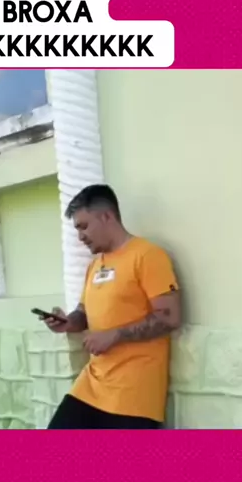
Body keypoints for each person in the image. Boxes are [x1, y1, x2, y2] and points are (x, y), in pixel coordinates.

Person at [44, 184, 181, 429]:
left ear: (106, 216)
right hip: (92, 386)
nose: (80, 237)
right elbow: (83, 313)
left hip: (133, 394)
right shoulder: (95, 266)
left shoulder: (147, 255)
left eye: (84, 226)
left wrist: (115, 335)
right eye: (77, 229)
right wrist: (67, 322)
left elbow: (169, 317)